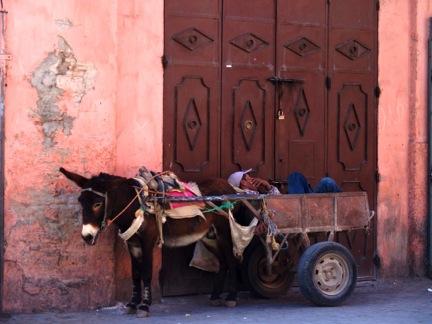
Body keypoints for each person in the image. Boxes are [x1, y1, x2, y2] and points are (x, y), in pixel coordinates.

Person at [227, 170, 341, 195]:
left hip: (293, 202)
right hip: (290, 209)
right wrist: (256, 190)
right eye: (247, 177)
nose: (251, 178)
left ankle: (305, 201)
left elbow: (277, 195)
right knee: (327, 182)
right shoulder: (246, 195)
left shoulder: (258, 190)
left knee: (295, 176)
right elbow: (276, 201)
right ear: (242, 184)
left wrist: (266, 185)